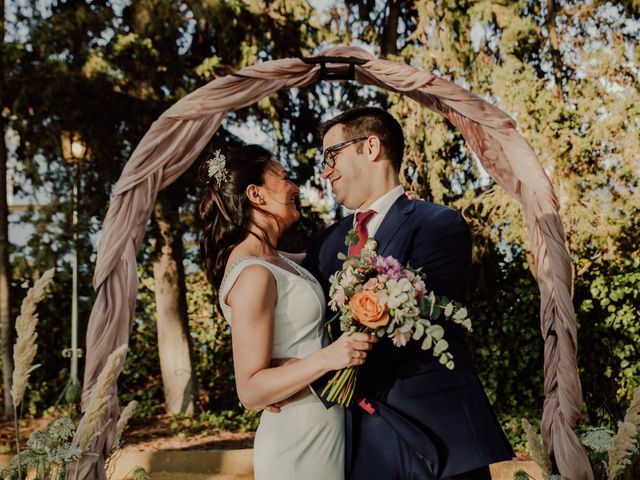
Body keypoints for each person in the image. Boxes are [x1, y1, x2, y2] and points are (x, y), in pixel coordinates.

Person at [302, 107, 515, 479]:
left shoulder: (437, 224)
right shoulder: (323, 245)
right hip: (356, 444)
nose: (325, 170)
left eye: (331, 155)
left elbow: (420, 320)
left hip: (438, 437)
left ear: (371, 147)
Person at [198, 145, 378, 480]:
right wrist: (329, 357)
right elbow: (250, 390)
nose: (294, 187)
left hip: (322, 426)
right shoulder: (253, 274)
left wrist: (386, 211)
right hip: (297, 439)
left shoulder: (276, 260)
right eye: (283, 178)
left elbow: (331, 250)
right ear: (256, 194)